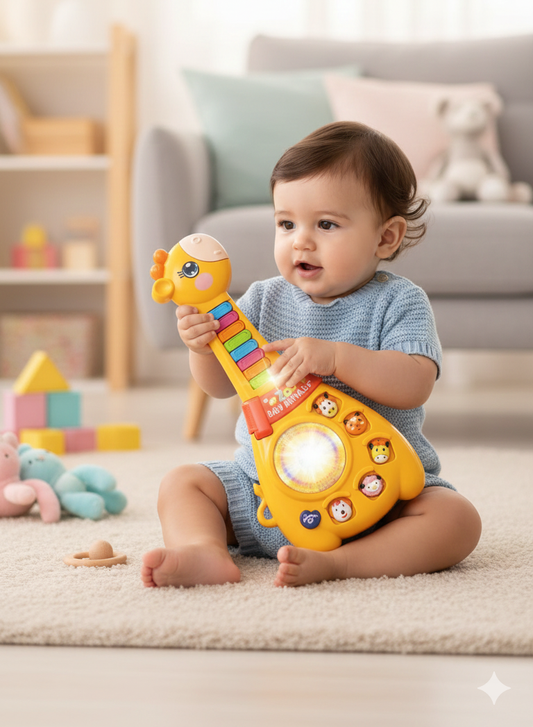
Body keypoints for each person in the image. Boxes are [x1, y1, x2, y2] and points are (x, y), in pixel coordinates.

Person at [142, 121, 481, 589]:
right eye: (286, 223)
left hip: (374, 493)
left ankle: (345, 563)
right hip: (263, 488)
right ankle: (202, 551)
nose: (301, 240)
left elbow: (414, 383)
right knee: (183, 483)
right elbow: (221, 386)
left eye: (326, 224)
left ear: (386, 237)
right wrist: (201, 347)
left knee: (456, 519)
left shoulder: (399, 301)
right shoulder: (260, 300)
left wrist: (338, 358)